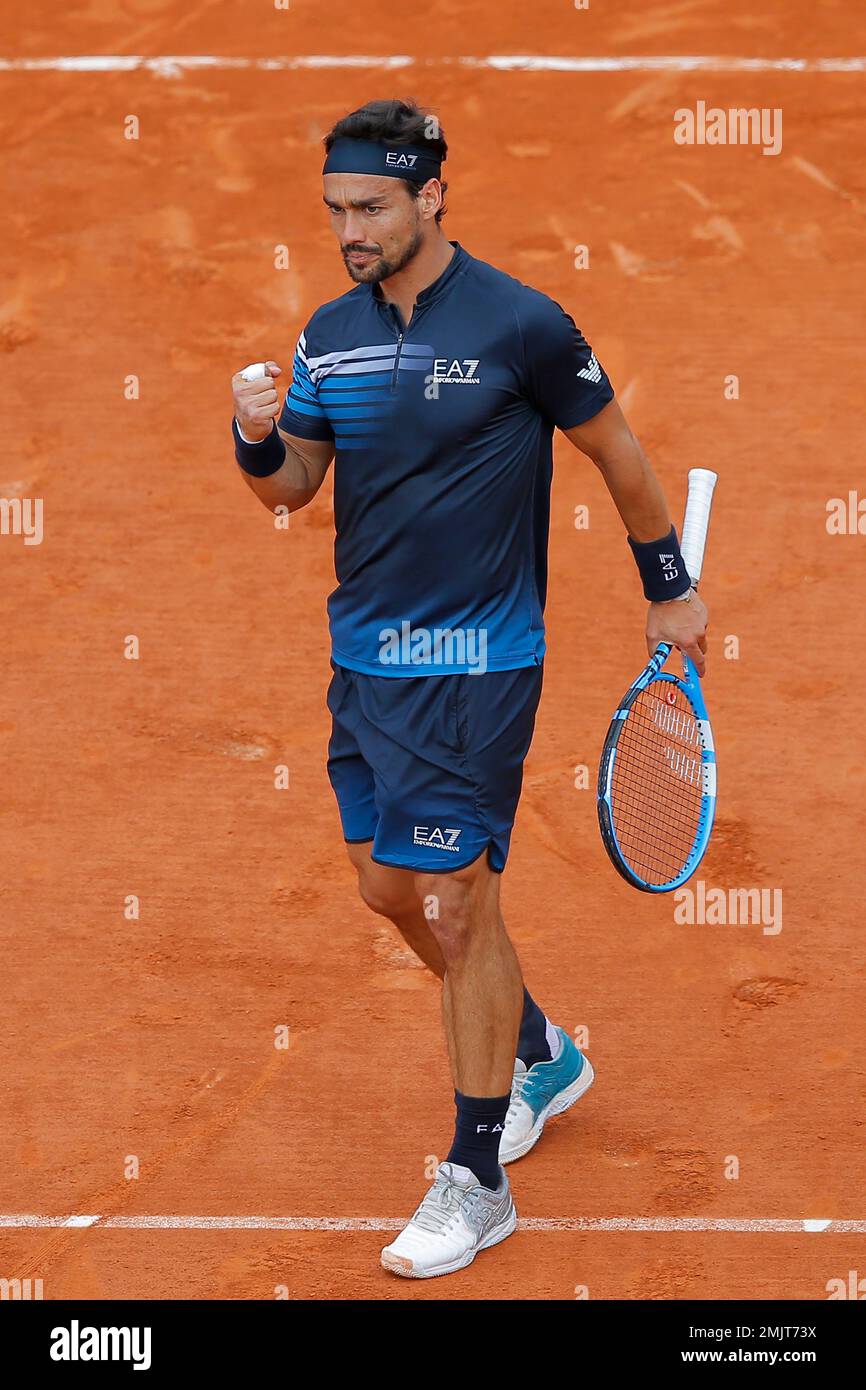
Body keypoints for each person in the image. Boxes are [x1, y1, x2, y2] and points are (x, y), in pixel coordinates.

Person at [230, 99, 708, 1280]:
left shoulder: (520, 325)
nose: (350, 227)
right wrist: (251, 439)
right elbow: (292, 488)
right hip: (367, 664)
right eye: (336, 208)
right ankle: (540, 1048)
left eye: (372, 207)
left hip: (481, 663)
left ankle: (474, 1176)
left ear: (431, 197)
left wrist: (667, 586)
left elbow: (618, 453)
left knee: (454, 900)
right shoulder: (328, 334)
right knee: (385, 889)